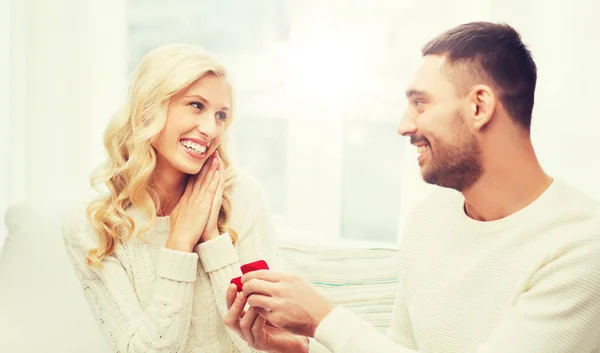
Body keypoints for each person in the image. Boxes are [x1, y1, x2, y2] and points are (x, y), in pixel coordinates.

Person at [224, 22, 600, 353]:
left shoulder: (582, 247)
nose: (404, 125)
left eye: (421, 104)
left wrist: (323, 318)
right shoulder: (430, 219)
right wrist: (302, 350)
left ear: (479, 107)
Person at [62, 43, 281, 353]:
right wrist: (179, 243)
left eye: (221, 115)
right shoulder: (94, 225)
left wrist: (212, 240)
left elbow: (266, 345)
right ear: (150, 107)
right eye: (196, 105)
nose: (210, 129)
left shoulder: (242, 195)